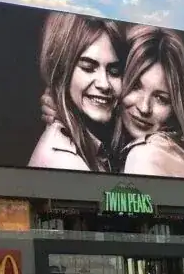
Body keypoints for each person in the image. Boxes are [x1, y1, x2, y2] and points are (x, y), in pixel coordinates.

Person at [28, 12, 126, 172]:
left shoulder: (99, 142)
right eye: (88, 68)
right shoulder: (66, 162)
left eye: (114, 71)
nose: (104, 84)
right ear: (61, 70)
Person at [112, 24, 184, 178]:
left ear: (176, 108)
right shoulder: (171, 153)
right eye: (135, 86)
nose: (144, 108)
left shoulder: (144, 157)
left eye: (161, 99)